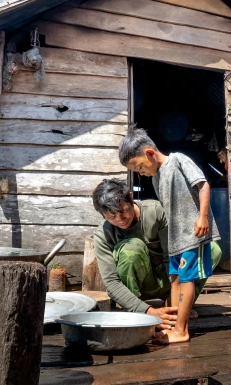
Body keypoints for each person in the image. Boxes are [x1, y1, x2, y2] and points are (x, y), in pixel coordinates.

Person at [118, 126, 220, 344]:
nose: (139, 173)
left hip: (192, 234)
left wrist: (202, 217)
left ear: (150, 154)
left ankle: (182, 331)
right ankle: (172, 326)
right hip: (175, 240)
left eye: (138, 167)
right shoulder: (156, 178)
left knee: (187, 279)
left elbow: (203, 185)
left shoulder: (178, 160)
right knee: (174, 279)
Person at [91, 178, 221, 331]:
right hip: (139, 289)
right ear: (103, 215)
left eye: (124, 211)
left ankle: (178, 304)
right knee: (132, 248)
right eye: (112, 217)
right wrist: (148, 312)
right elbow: (112, 283)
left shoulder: (156, 211)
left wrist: (175, 301)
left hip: (169, 279)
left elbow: (172, 256)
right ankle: (136, 312)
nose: (120, 220)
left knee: (211, 249)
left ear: (131, 198)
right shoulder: (102, 235)